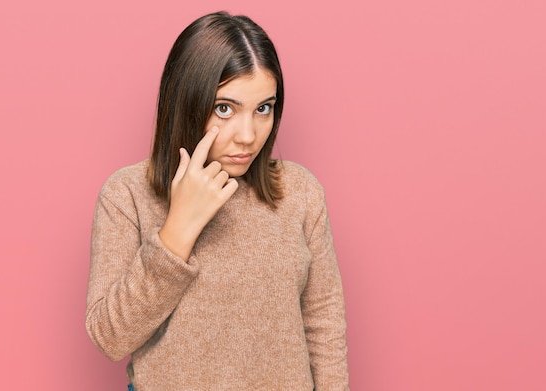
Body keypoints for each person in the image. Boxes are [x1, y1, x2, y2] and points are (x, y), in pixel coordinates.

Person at [86, 11, 350, 390]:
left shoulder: (299, 191)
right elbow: (109, 338)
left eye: (264, 108)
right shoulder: (127, 195)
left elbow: (324, 324)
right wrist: (178, 229)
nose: (248, 135)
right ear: (186, 103)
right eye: (224, 108)